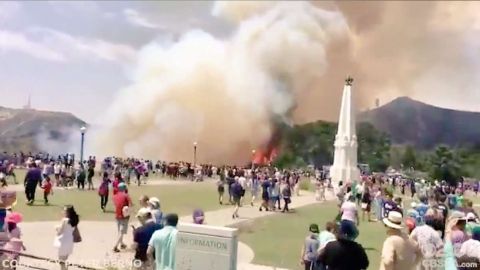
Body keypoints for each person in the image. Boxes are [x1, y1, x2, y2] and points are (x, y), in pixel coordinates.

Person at [54, 205, 79, 270]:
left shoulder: (65, 220)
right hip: (70, 242)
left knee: (61, 261)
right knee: (64, 260)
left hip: (63, 242)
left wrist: (56, 228)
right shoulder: (74, 221)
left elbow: (60, 232)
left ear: (68, 212)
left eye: (64, 211)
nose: (63, 212)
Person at [113, 183, 131, 253]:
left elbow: (116, 203)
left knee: (120, 231)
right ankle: (115, 246)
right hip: (124, 215)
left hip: (117, 215)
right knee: (121, 231)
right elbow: (131, 204)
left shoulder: (115, 196)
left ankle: (121, 244)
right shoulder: (126, 195)